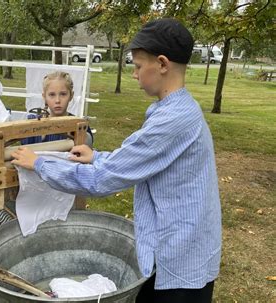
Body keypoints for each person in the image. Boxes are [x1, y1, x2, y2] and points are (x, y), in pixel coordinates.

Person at [11, 18, 221, 303]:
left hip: (180, 258)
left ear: (161, 64)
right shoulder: (174, 108)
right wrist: (96, 156)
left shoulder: (173, 120)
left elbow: (101, 180)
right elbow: (140, 159)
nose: (134, 74)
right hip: (176, 245)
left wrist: (39, 163)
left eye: (137, 66)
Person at [22, 71, 93, 145]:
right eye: (52, 95)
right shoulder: (32, 124)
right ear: (44, 97)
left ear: (71, 96)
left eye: (63, 94)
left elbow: (86, 153)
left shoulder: (79, 126)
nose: (57, 100)